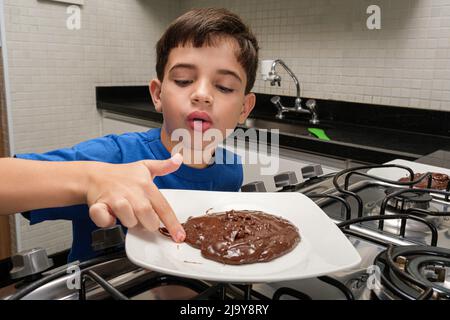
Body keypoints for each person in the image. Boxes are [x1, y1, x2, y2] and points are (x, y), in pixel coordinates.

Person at [0, 8, 259, 262]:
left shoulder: (231, 169)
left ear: (244, 108)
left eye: (224, 87)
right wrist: (92, 180)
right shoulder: (114, 158)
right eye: (183, 80)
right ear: (157, 95)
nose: (202, 94)